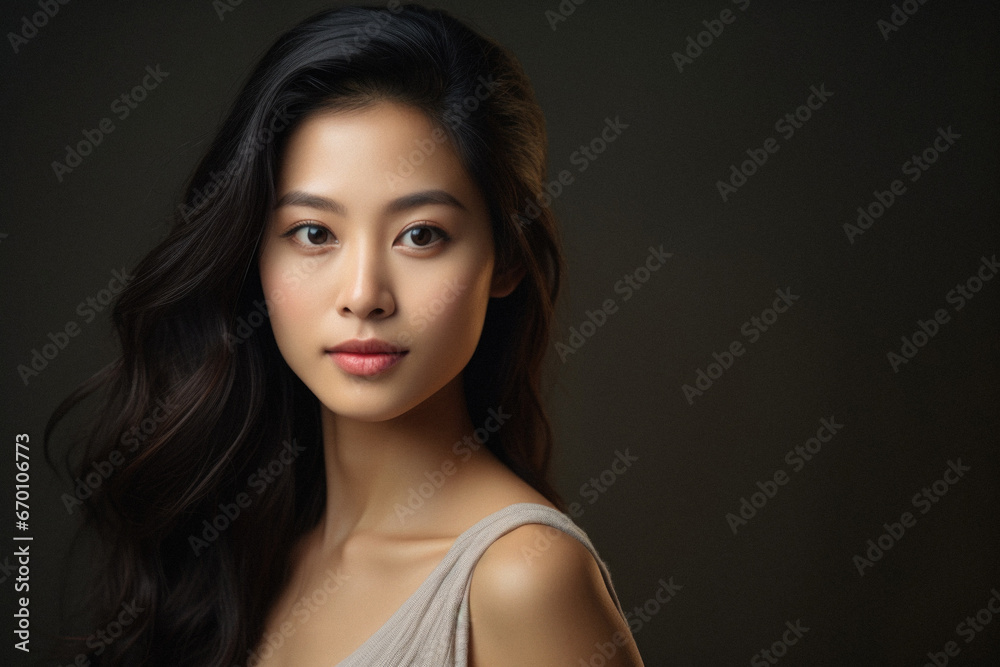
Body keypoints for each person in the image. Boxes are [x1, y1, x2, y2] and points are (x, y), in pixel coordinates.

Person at [46, 4, 644, 665]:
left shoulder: (521, 580)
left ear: (504, 258)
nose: (363, 295)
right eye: (314, 233)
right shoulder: (241, 544)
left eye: (421, 235)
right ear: (254, 253)